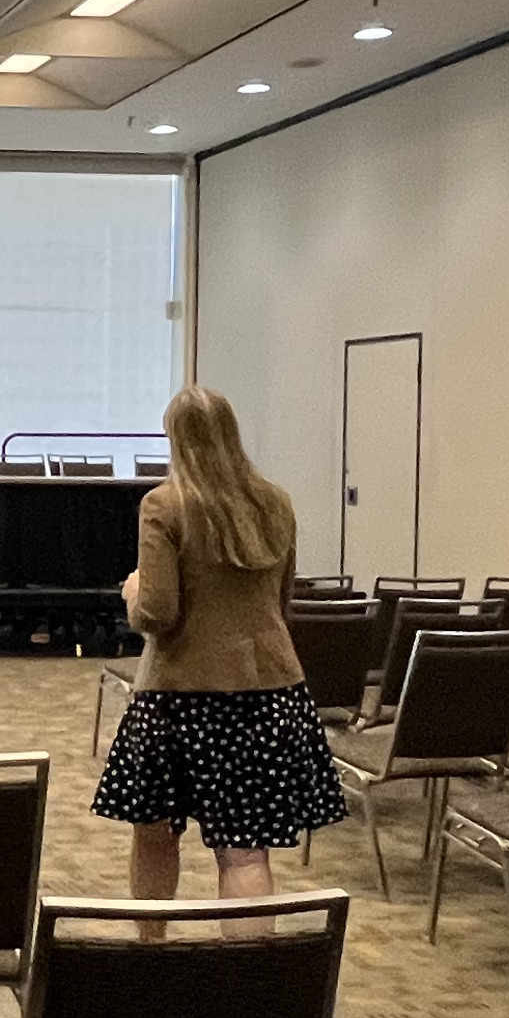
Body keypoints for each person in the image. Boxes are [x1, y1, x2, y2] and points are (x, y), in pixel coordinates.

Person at [93, 386, 346, 901]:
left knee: (155, 834)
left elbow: (159, 615)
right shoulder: (275, 502)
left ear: (175, 439)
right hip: (269, 689)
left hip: (178, 694)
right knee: (246, 850)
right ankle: (245, 978)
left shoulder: (163, 505)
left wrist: (133, 591)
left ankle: (153, 955)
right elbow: (283, 599)